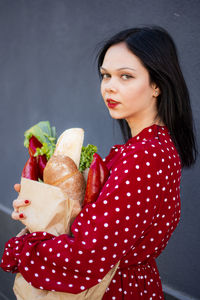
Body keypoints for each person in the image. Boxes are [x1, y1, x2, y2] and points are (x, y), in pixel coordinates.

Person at [1, 26, 197, 299]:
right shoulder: (147, 148)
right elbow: (100, 228)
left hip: (113, 289)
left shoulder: (145, 156)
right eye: (106, 75)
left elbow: (87, 255)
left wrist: (23, 248)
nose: (109, 87)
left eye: (125, 76)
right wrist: (43, 211)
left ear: (157, 85)